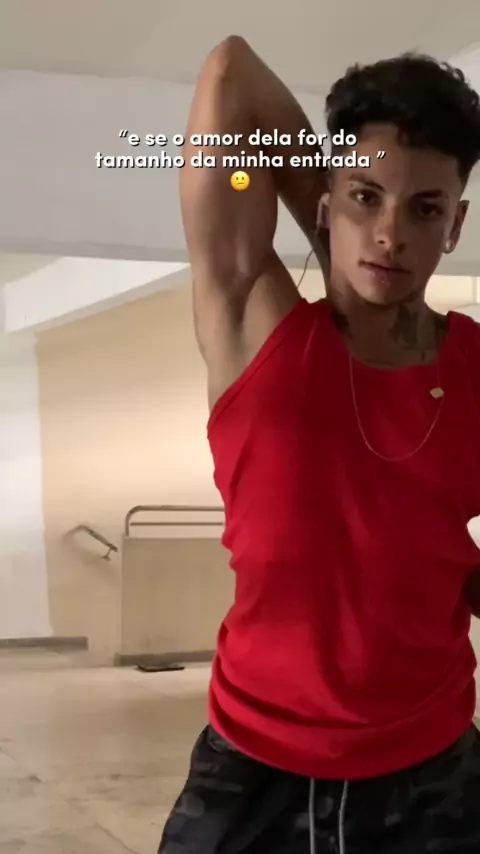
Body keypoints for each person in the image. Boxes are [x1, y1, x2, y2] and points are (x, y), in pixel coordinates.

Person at [158, 36, 480, 853]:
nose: (391, 233)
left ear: (456, 225)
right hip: (252, 767)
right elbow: (232, 72)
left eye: (424, 210)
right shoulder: (252, 325)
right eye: (368, 197)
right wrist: (333, 221)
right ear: (328, 198)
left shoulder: (476, 370)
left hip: (433, 770)